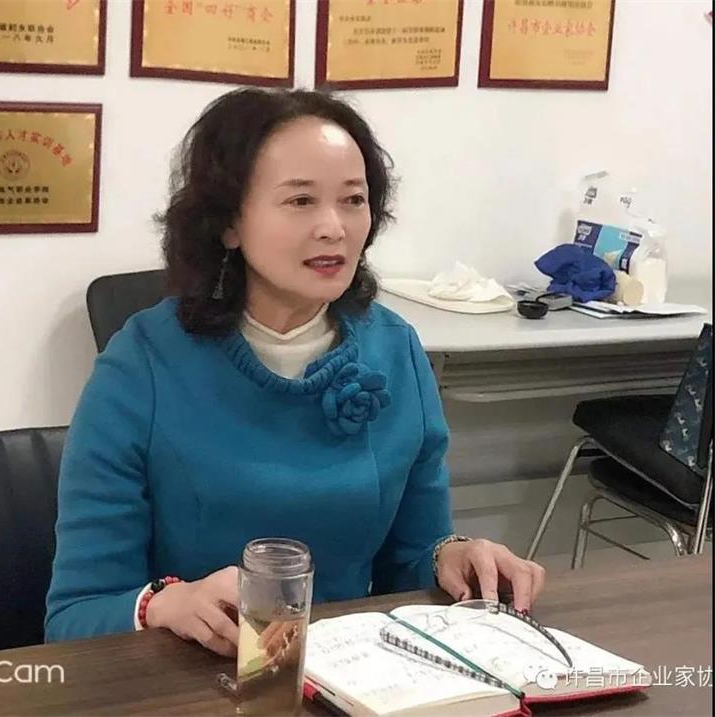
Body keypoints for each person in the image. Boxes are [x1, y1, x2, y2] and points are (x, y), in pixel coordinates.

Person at [44, 88, 545, 657]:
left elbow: (410, 557)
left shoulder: (396, 350)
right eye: (301, 200)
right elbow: (76, 614)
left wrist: (452, 557)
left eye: (353, 200)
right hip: (195, 675)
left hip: (350, 671)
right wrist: (164, 605)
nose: (334, 227)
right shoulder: (141, 364)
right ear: (229, 223)